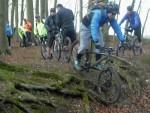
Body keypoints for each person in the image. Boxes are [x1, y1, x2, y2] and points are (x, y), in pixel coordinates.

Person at [74, 2, 125, 70]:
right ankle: (77, 60)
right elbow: (93, 25)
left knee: (101, 45)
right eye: (113, 13)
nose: (114, 16)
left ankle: (97, 63)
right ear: (108, 11)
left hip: (96, 28)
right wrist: (95, 39)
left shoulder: (111, 17)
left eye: (115, 14)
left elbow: (117, 28)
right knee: (84, 46)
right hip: (85, 27)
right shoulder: (98, 13)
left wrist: (122, 39)